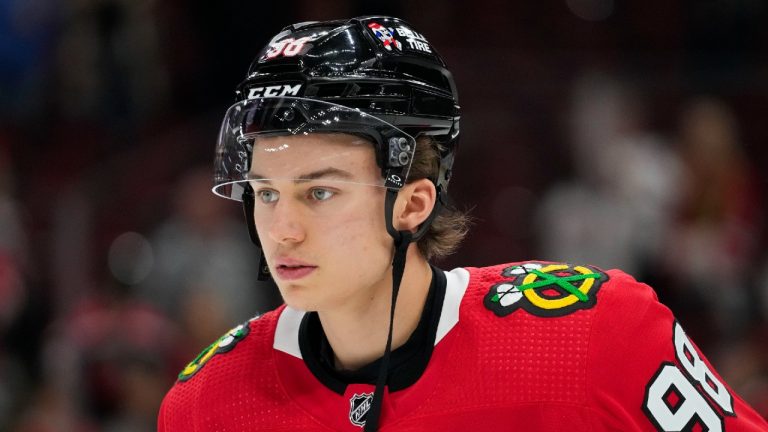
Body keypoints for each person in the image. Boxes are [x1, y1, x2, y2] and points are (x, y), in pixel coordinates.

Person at [158, 16, 768, 431]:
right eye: (265, 193)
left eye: (319, 191)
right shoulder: (206, 402)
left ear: (414, 202)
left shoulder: (596, 335)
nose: (282, 229)